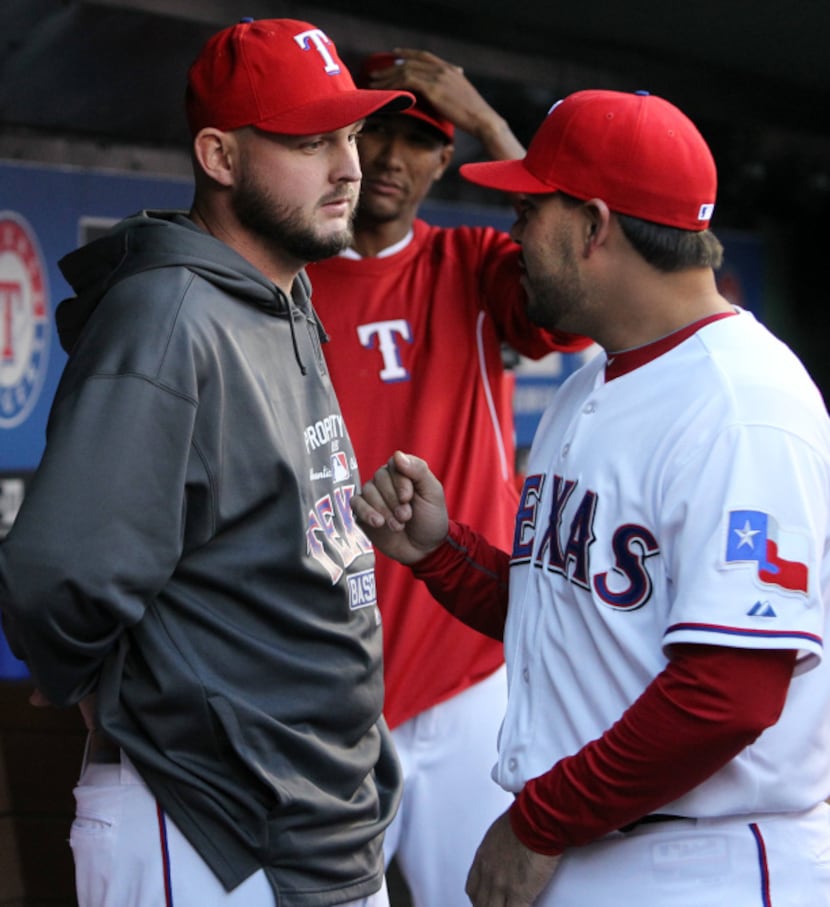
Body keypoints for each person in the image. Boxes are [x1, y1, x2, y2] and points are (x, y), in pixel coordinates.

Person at [351, 88, 830, 906]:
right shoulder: (591, 385)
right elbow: (567, 622)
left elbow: (729, 694)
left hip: (702, 859)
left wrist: (539, 821)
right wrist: (442, 551)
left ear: (595, 225)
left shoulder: (745, 403)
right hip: (599, 837)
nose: (515, 231)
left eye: (533, 208)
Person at [0, 17, 416, 907]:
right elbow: (53, 574)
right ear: (220, 156)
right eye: (309, 141)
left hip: (305, 821)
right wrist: (121, 698)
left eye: (349, 133)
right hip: (207, 824)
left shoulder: (282, 292)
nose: (347, 164)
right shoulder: (169, 316)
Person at [307, 49, 591, 906]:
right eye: (380, 130)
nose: (394, 157)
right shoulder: (283, 280)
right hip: (332, 676)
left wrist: (492, 125)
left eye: (423, 139)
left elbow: (573, 279)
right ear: (344, 143)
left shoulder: (469, 260)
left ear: (445, 158)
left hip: (471, 670)